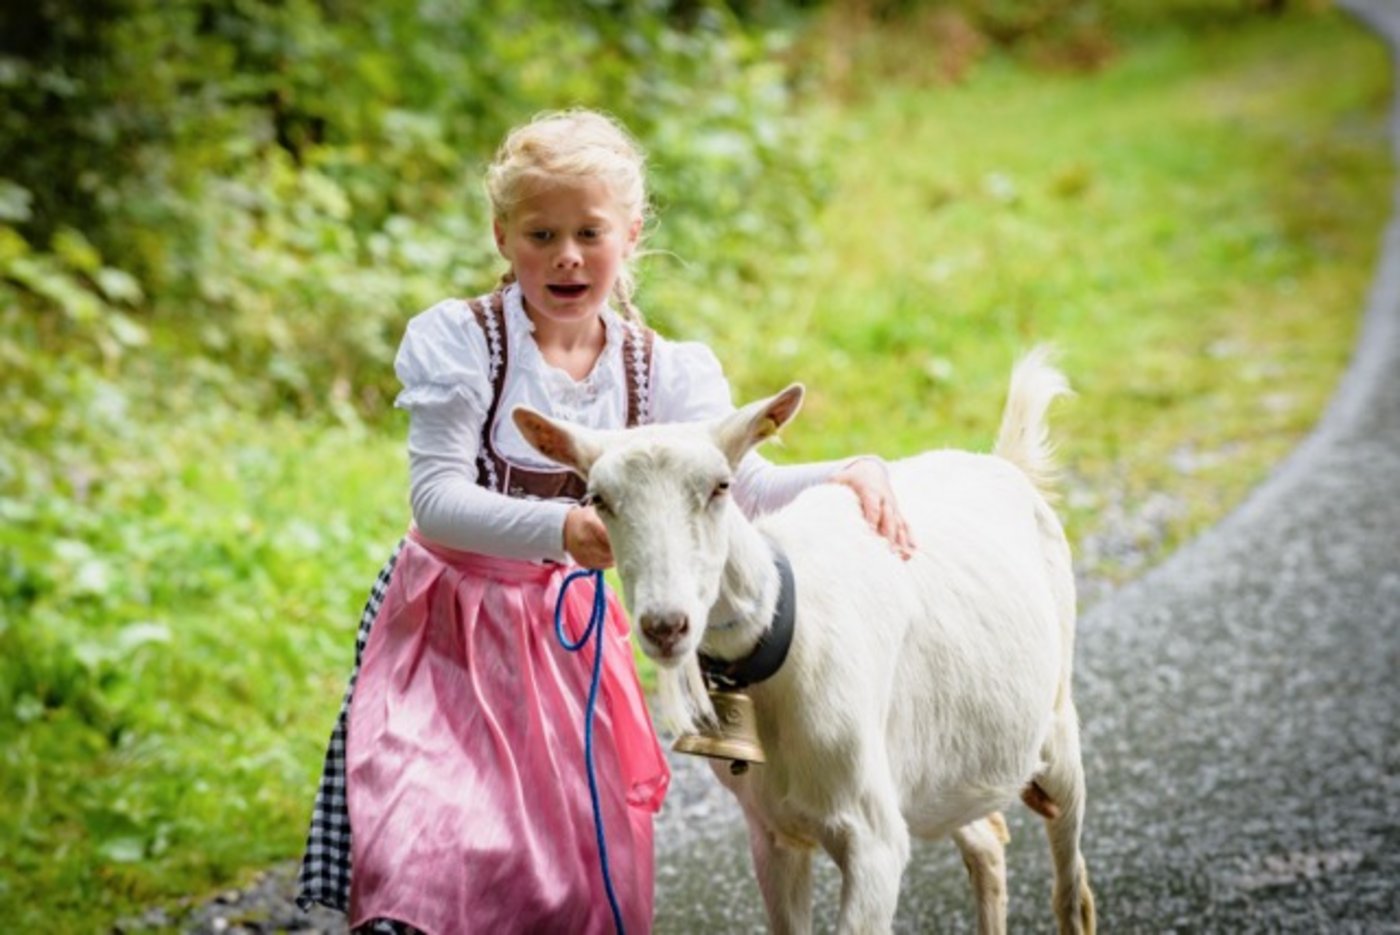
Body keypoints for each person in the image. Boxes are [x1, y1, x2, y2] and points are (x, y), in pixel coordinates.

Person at [296, 108, 912, 934]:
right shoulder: (465, 344)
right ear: (502, 236)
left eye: (589, 231)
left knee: (560, 867)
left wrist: (840, 473)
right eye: (540, 234)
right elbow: (435, 499)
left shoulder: (661, 370)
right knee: (425, 836)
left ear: (629, 233)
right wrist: (563, 531)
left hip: (568, 646)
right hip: (451, 626)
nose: (566, 256)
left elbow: (741, 487)